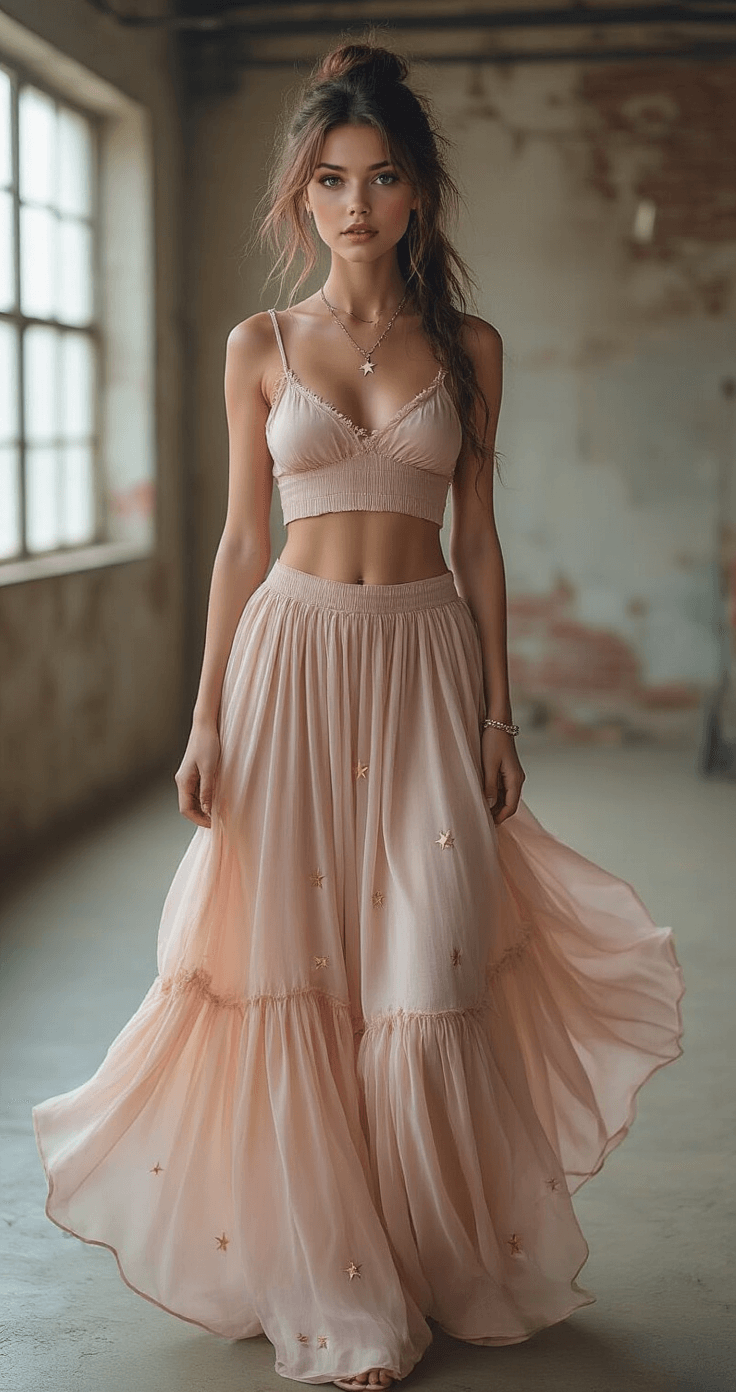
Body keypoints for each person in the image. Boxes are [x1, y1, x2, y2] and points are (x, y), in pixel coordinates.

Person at [32, 38, 685, 1392]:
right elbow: (236, 543)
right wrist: (206, 717)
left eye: (381, 177)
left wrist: (501, 719)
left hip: (425, 664)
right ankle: (338, 1287)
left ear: (419, 193)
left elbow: (481, 542)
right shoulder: (261, 347)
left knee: (424, 967)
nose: (355, 204)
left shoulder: (471, 350)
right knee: (299, 969)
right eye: (330, 179)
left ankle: (428, 1256)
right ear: (301, 194)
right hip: (290, 663)